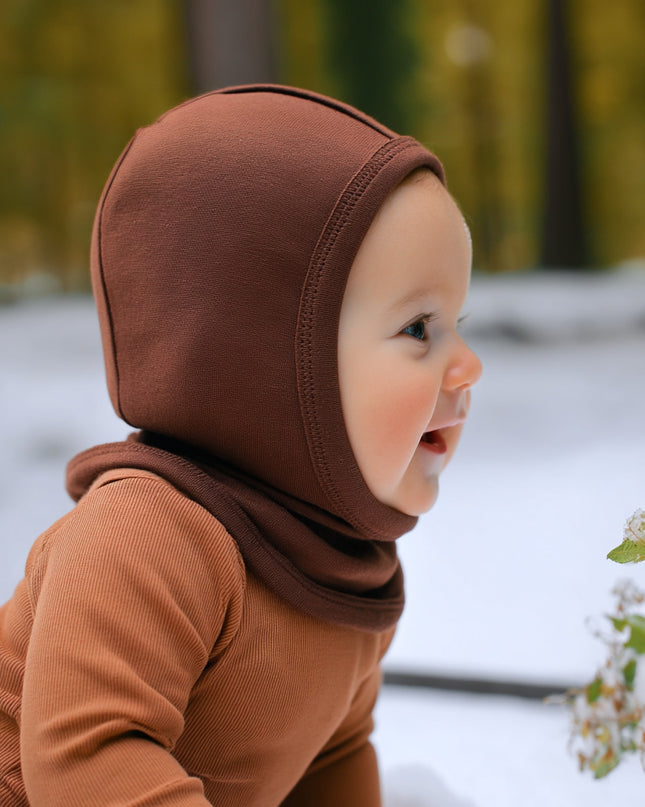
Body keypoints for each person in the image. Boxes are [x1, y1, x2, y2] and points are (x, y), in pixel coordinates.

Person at [0, 84, 481, 806]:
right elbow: (87, 762)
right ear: (265, 365)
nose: (467, 365)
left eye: (457, 322)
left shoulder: (340, 564)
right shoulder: (147, 535)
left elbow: (330, 755)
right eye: (418, 329)